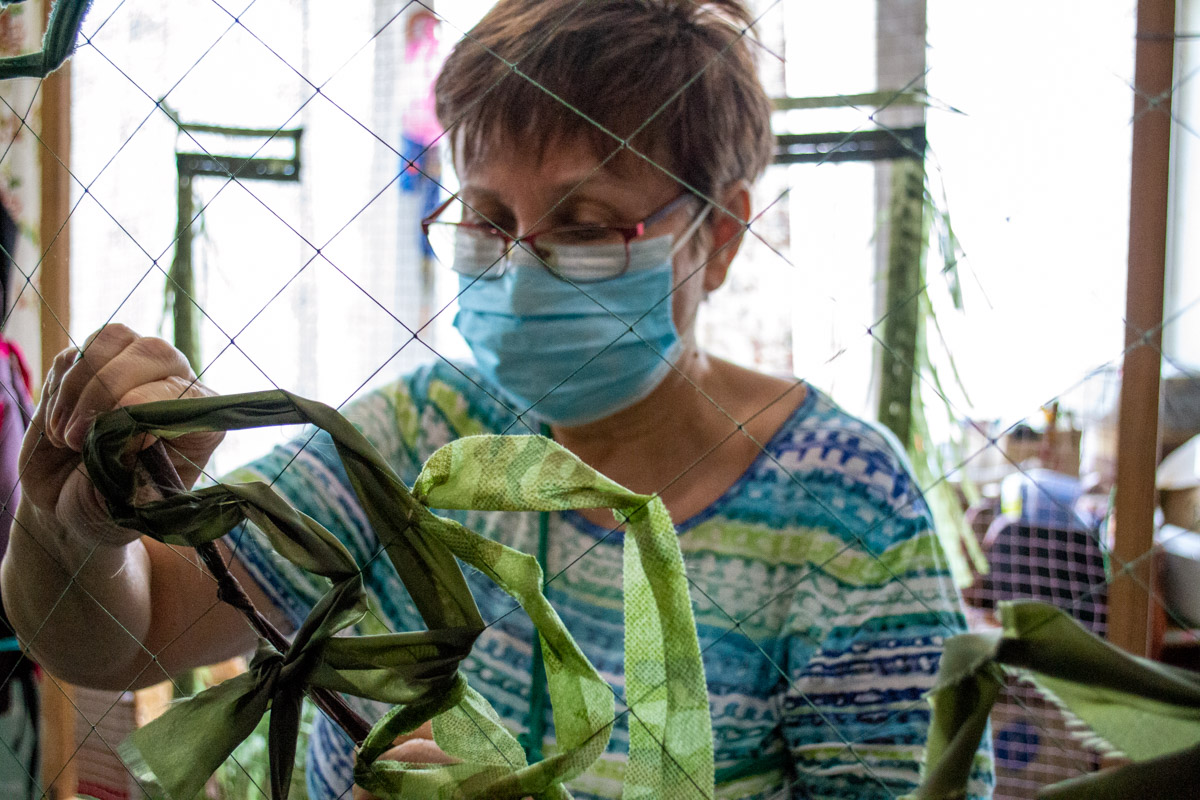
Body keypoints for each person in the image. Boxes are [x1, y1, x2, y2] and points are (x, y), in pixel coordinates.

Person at [1, 1, 994, 799]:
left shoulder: (842, 514)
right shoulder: (422, 435)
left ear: (722, 233)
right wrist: (74, 534)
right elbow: (129, 631)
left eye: (585, 224)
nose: (520, 270)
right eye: (486, 217)